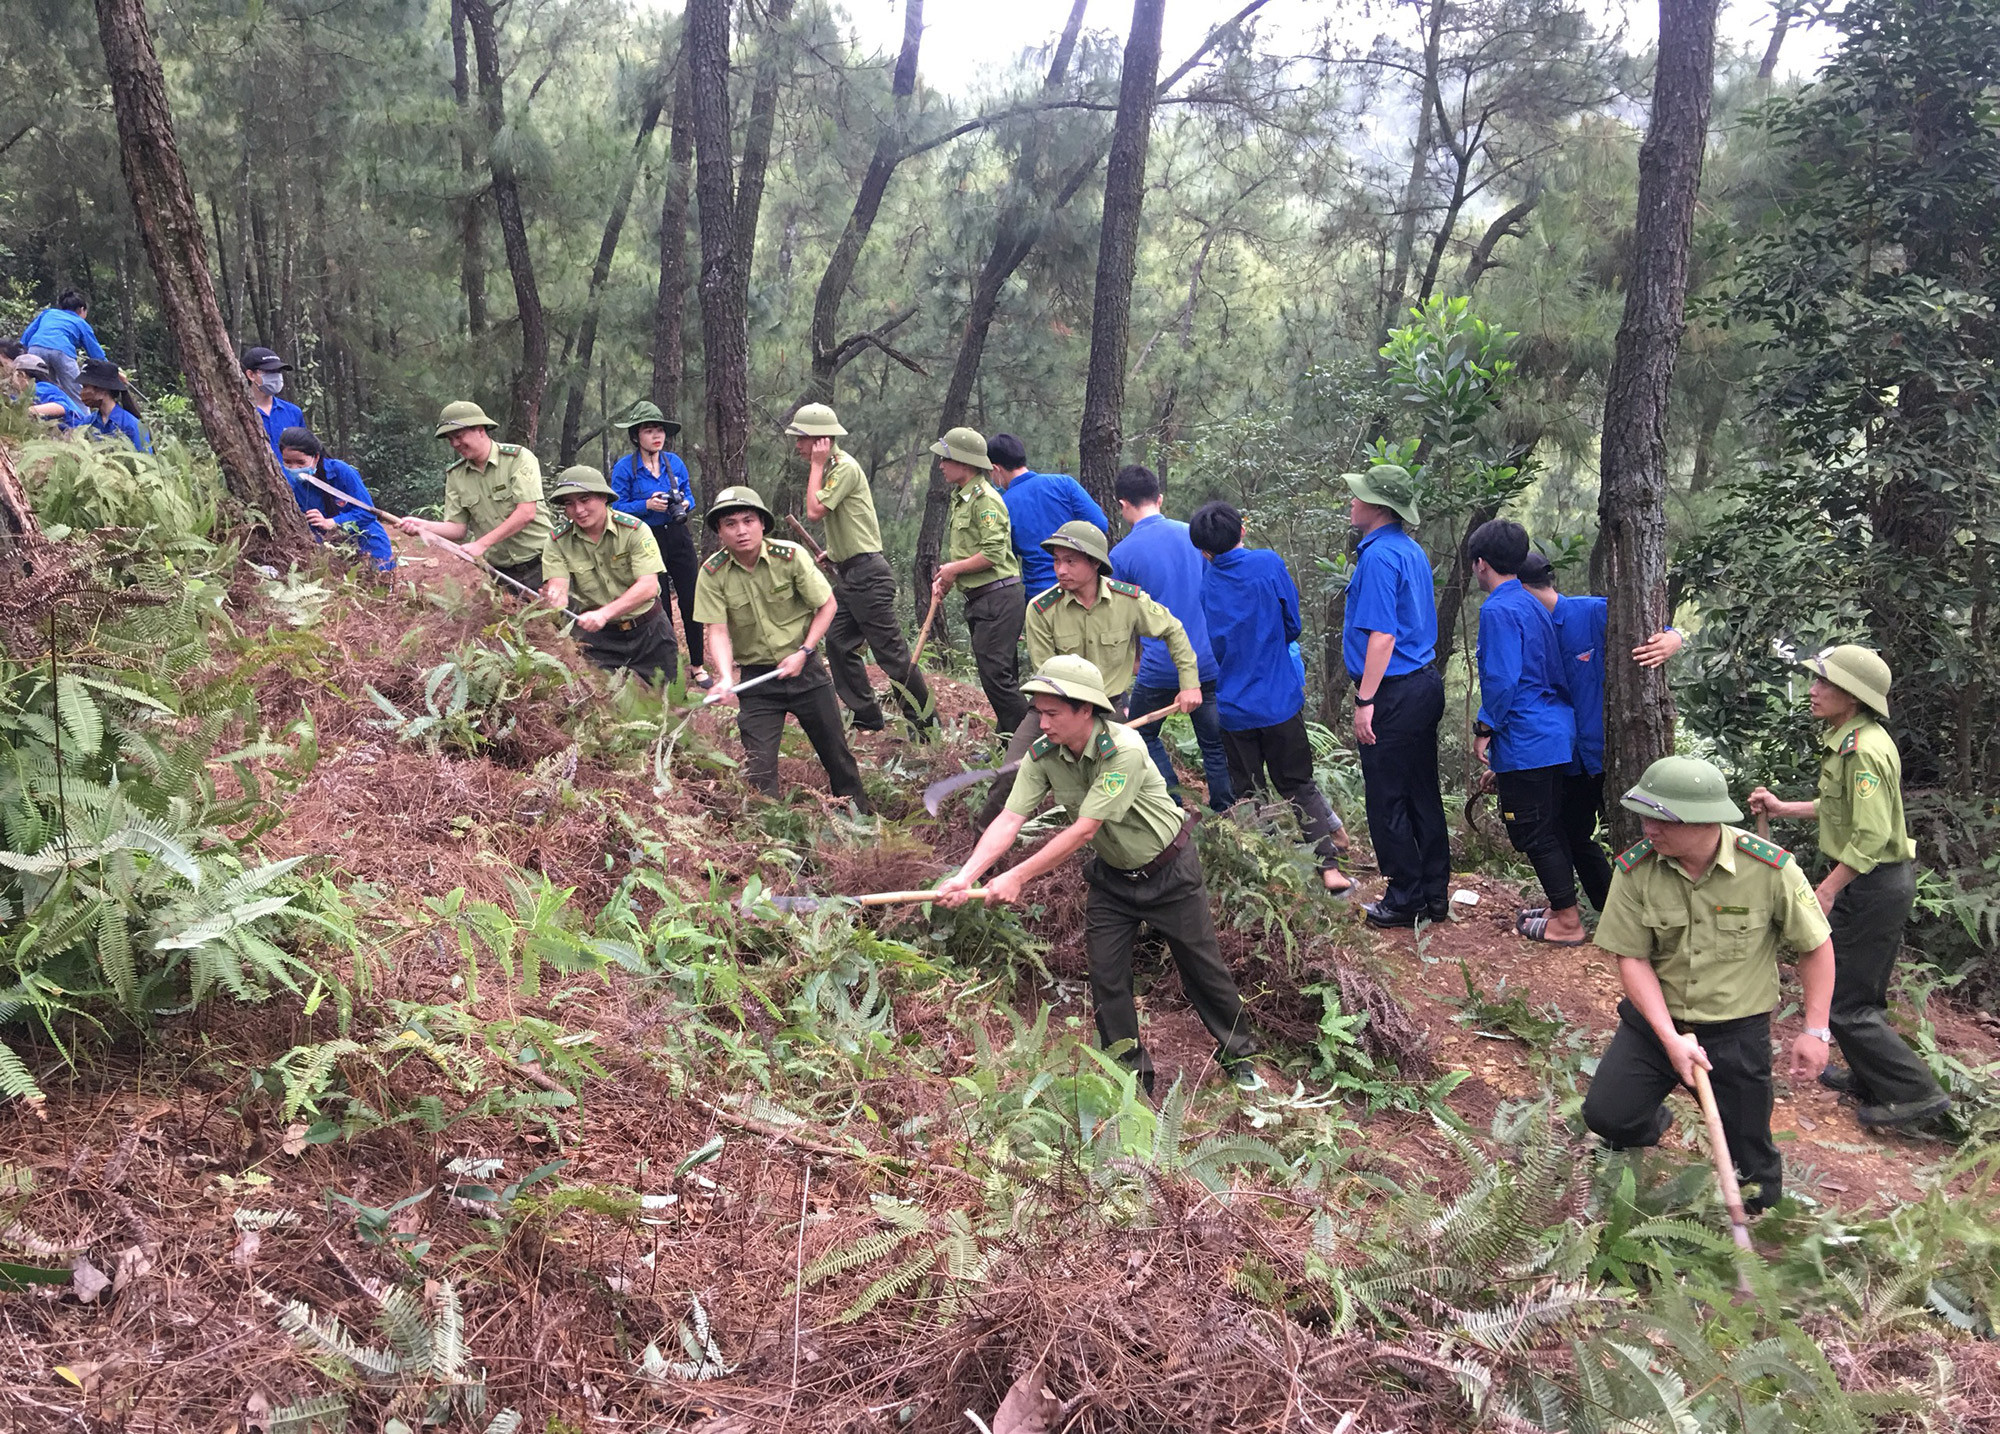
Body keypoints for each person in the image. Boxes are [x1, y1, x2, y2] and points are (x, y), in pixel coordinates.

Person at [938, 655, 1259, 1095]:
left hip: (1171, 872)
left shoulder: (1123, 749)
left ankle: (1240, 1057)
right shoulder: (1043, 754)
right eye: (1038, 712)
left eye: (1053, 713)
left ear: (1085, 710)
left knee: (1202, 970)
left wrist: (1016, 877)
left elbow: (1084, 828)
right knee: (1108, 979)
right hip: (1113, 879)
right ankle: (1130, 1080)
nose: (1043, 723)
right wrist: (968, 876)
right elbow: (1010, 819)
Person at [1581, 756, 1835, 1215]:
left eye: (1662, 819)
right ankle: (1650, 1121)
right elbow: (1632, 959)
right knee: (1608, 1116)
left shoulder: (1769, 869)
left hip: (1736, 1031)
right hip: (1656, 1024)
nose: (1648, 829)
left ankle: (1763, 1227)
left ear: (1704, 821)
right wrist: (1670, 1040)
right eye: (1645, 815)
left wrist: (1815, 1030)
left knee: (1748, 1156)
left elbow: (1815, 947)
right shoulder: (1635, 870)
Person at [1748, 646, 1950, 1130]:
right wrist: (1782, 807)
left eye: (1825, 684)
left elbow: (1871, 836)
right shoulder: (1855, 739)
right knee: (1861, 992)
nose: (1813, 691)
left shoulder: (1862, 751)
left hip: (1871, 883)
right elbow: (1839, 808)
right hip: (1878, 881)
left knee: (1844, 1003)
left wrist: (1831, 887)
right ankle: (1870, 1077)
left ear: (1853, 697)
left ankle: (1914, 1097)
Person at [973, 519, 1202, 828]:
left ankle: (1149, 849)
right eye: (1056, 561)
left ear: (1095, 563)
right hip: (1055, 706)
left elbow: (1174, 631)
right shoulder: (1041, 609)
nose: (1060, 569)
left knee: (1129, 782)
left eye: (1070, 561)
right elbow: (1046, 675)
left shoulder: (1128, 601)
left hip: (1109, 710)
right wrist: (1066, 722)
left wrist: (1189, 684)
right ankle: (981, 852)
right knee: (1009, 776)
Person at [1190, 501, 1352, 896]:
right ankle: (1328, 867)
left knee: (1247, 791)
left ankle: (1268, 872)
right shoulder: (1267, 564)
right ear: (1241, 532)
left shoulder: (1207, 583)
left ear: (1204, 551)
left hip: (1233, 707)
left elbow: (1217, 642)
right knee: (1297, 784)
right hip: (1279, 700)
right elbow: (1292, 624)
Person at [1516, 553, 1683, 913]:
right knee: (1571, 834)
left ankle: (1656, 916)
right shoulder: (1524, 630)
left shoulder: (1590, 613)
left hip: (1611, 753)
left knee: (1638, 835)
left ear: (1522, 588)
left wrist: (1674, 639)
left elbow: (1652, 627)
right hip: (1564, 758)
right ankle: (1610, 913)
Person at [693, 486, 871, 813]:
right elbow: (717, 630)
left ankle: (859, 821)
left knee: (837, 755)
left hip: (807, 672)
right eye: (730, 524)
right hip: (758, 683)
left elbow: (827, 606)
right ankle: (771, 838)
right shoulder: (712, 573)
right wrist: (724, 676)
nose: (741, 530)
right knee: (758, 770)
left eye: (748, 520)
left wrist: (804, 651)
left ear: (763, 523)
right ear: (719, 531)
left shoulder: (789, 557)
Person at [1342, 463, 1449, 927]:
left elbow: (1382, 636)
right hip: (1423, 684)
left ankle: (1404, 897)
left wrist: (1366, 701)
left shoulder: (1379, 558)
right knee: (1421, 791)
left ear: (1378, 507)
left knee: (1387, 797)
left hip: (1395, 690)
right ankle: (1433, 893)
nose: (1351, 501)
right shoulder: (1409, 550)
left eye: (1358, 495)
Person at [1467, 520, 1584, 945]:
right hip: (1554, 731)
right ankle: (1560, 906)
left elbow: (1501, 679)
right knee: (1549, 824)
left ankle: (1568, 923)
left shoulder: (1498, 609)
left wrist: (1484, 728)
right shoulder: (1533, 602)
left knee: (1533, 830)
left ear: (1480, 564)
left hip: (1527, 735)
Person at [790, 403, 933, 735]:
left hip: (869, 576)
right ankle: (866, 716)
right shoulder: (830, 469)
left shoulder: (841, 468)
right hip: (851, 572)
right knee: (838, 643)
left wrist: (816, 465)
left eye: (801, 439)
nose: (797, 446)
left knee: (892, 656)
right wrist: (836, 553)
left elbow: (813, 511)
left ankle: (926, 725)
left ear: (820, 440)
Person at [1110, 465, 1233, 811]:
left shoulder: (1121, 555)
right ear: (1160, 499)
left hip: (1161, 664)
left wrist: (1132, 660)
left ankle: (1174, 805)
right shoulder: (1195, 537)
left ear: (1123, 505)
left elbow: (1125, 618)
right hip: (1207, 659)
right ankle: (1228, 816)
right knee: (1215, 744)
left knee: (1140, 733)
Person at [539, 467, 680, 685]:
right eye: (569, 503)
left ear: (603, 497)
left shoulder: (634, 530)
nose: (578, 510)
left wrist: (605, 613)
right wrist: (554, 599)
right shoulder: (557, 541)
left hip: (649, 631)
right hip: (598, 640)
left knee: (670, 702)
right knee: (606, 706)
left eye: (585, 499)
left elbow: (649, 586)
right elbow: (559, 586)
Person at [395, 401, 554, 593]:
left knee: (572, 620)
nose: (455, 444)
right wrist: (423, 526)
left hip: (546, 563)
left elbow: (526, 513)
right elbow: (457, 528)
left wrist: (482, 543)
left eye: (459, 436)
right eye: (450, 439)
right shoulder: (456, 475)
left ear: (480, 429)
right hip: (502, 574)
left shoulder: (518, 459)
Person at [929, 428, 1027, 736]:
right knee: (999, 676)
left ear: (964, 462)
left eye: (946, 458)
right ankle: (1009, 743)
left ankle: (1033, 740)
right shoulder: (963, 499)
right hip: (982, 599)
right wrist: (949, 575)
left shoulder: (985, 500)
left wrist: (954, 569)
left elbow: (994, 553)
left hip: (998, 598)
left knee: (996, 678)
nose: (941, 464)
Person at [608, 400, 705, 681]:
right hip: (645, 540)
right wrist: (647, 505)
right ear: (636, 435)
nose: (657, 436)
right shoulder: (625, 468)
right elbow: (614, 507)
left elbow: (690, 495)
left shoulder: (673, 463)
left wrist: (686, 504)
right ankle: (669, 666)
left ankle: (698, 665)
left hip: (678, 535)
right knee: (658, 603)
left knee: (691, 600)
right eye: (650, 430)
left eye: (660, 430)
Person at [988, 433, 1108, 596]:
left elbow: (1005, 558)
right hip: (1083, 586)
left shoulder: (1002, 505)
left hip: (1041, 595)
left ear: (996, 469)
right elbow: (1099, 524)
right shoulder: (1064, 484)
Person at [277, 426, 396, 572]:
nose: (294, 468)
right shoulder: (288, 483)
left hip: (365, 538)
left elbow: (368, 513)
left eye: (301, 463)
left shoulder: (342, 471)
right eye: (288, 462)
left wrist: (332, 522)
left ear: (316, 457)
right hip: (326, 546)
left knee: (378, 582)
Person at [19, 290, 105, 403]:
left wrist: (20, 353)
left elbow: (27, 336)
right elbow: (96, 353)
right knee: (76, 392)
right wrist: (110, 370)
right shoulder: (80, 322)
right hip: (62, 352)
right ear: (82, 310)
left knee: (35, 388)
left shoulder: (48, 313)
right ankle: (83, 419)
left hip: (36, 348)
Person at [241, 347, 306, 459]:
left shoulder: (293, 412)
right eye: (269, 371)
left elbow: (306, 451)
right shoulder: (241, 412)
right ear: (251, 375)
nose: (275, 376)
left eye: (278, 371)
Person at [76, 358, 150, 453]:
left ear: (102, 390)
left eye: (85, 387)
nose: (82, 392)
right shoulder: (87, 423)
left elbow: (145, 459)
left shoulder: (132, 426)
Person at [8, 353, 88, 428]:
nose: (11, 381)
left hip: (80, 432)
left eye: (12, 375)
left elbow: (61, 407)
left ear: (21, 375)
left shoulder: (41, 388)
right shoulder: (26, 394)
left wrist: (23, 412)